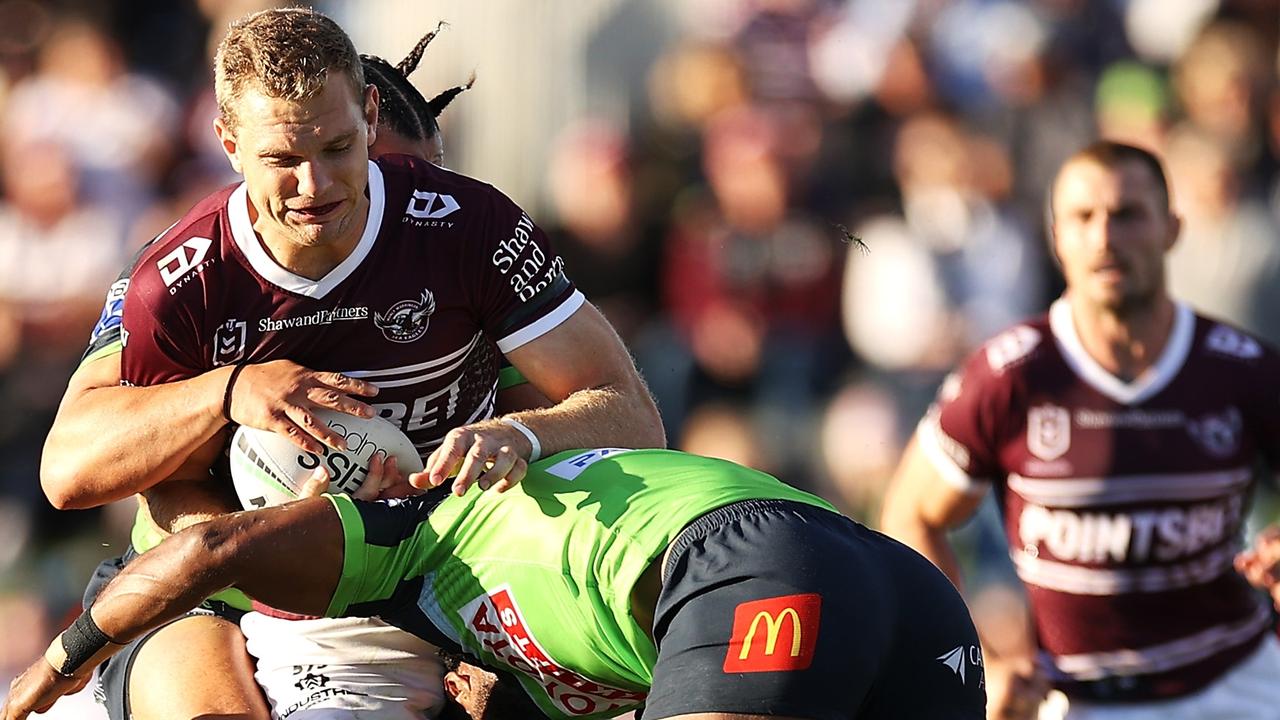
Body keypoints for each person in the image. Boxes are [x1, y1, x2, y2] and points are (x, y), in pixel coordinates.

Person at [39, 9, 663, 719]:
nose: (321, 186)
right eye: (286, 160)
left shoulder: (465, 231)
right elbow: (70, 467)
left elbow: (616, 414)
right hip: (212, 585)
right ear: (231, 146)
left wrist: (512, 452)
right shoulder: (183, 275)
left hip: (413, 574)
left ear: (368, 123)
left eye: (345, 152)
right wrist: (231, 394)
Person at [3, 449, 987, 720]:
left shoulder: (398, 531)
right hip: (897, 596)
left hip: (742, 567)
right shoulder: (498, 664)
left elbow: (207, 552)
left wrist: (57, 662)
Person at [879, 140, 1280, 720]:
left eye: (1127, 215)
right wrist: (974, 664)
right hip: (1079, 699)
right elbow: (910, 513)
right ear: (1055, 237)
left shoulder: (1237, 368)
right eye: (1083, 218)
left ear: (1171, 229)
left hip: (1237, 681)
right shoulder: (1011, 376)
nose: (1104, 239)